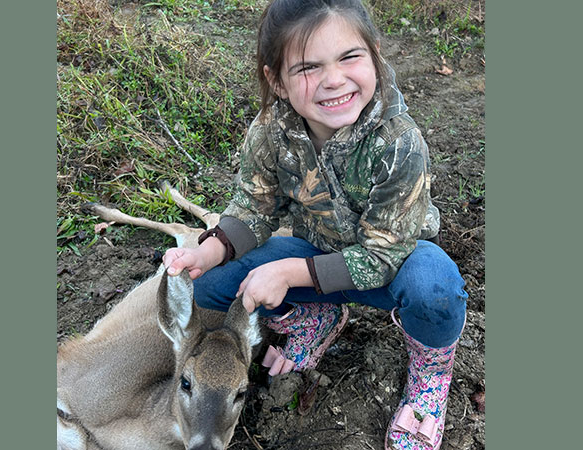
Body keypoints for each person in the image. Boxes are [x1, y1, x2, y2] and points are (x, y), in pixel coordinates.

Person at [163, 1, 468, 448]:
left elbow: (383, 254)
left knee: (435, 288)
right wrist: (205, 252)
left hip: (394, 268)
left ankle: (429, 378)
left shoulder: (400, 142)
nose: (333, 79)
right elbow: (254, 208)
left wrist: (286, 274)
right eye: (308, 67)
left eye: (349, 57)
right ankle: (316, 318)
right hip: (316, 254)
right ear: (277, 81)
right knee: (209, 285)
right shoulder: (271, 130)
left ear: (376, 56)